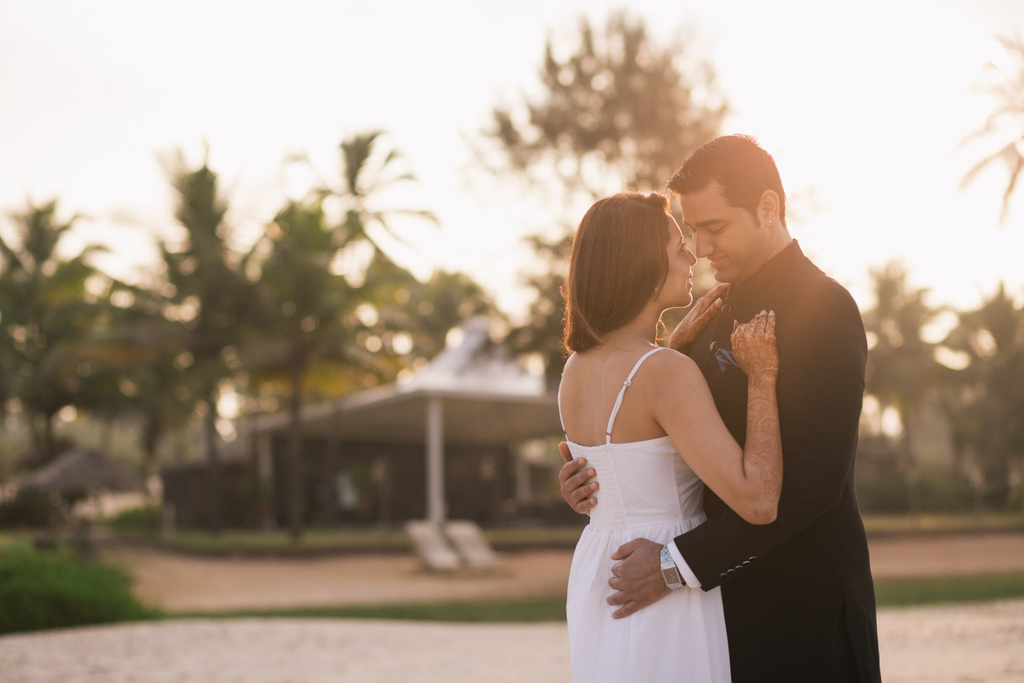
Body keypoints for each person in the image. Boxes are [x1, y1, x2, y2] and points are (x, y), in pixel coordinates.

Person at [559, 134, 881, 682]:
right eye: (692, 232)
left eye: (715, 228)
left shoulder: (825, 308)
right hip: (710, 614)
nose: (701, 248)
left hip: (799, 616)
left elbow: (812, 486)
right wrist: (595, 478)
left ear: (768, 209)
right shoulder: (708, 313)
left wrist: (671, 565)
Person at [558, 190, 782, 682]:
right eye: (678, 246)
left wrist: (672, 344)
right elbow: (759, 499)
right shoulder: (665, 374)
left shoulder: (575, 369)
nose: (693, 255)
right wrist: (762, 378)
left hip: (600, 570)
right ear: (644, 263)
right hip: (657, 579)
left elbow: (626, 455)